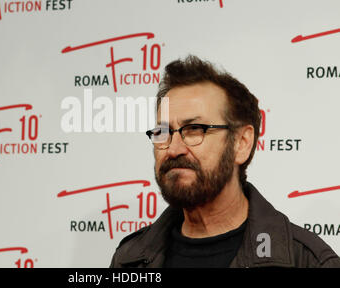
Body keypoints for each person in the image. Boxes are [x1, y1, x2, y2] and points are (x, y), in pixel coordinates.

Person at [110, 55, 340, 268]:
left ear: (241, 143)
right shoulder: (130, 258)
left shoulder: (307, 261)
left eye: (194, 129)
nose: (174, 148)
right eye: (163, 132)